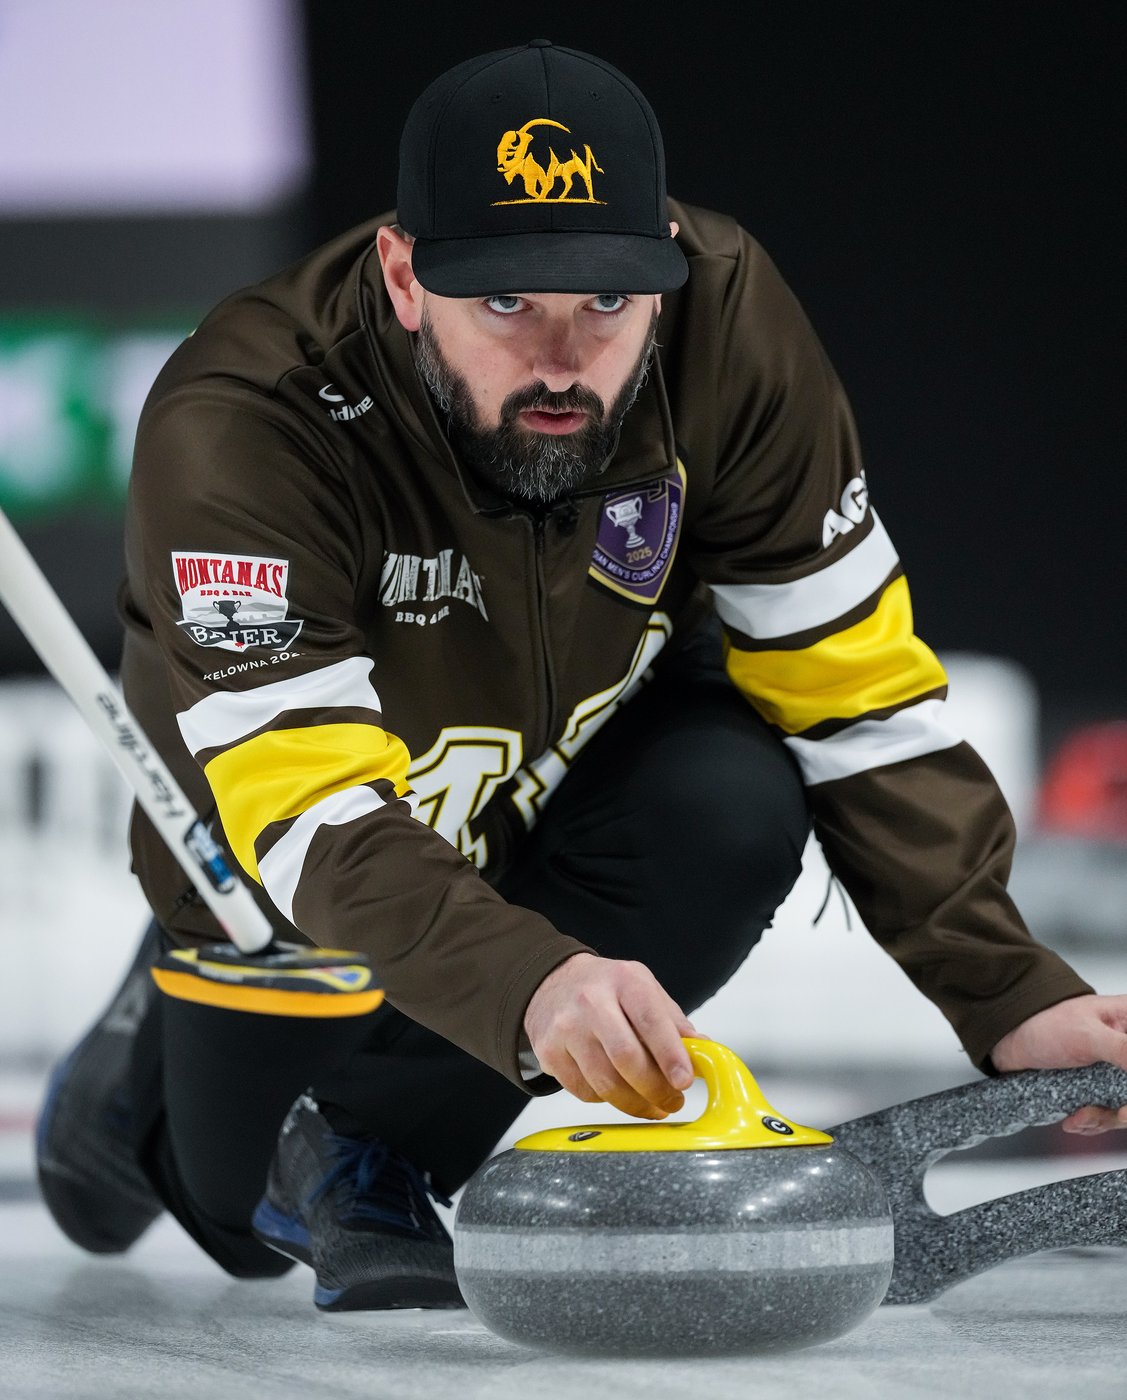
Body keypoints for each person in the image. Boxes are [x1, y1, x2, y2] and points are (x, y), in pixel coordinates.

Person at [37, 41, 1127, 1310]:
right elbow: (312, 814)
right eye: (504, 302)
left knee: (729, 805)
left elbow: (855, 692)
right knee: (224, 1210)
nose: (561, 356)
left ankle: (372, 1137)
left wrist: (1004, 990)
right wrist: (533, 980)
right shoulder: (246, 415)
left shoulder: (726, 323)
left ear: (662, 266)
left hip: (569, 778)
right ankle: (128, 1085)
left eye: (605, 300)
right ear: (402, 273)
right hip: (298, 863)